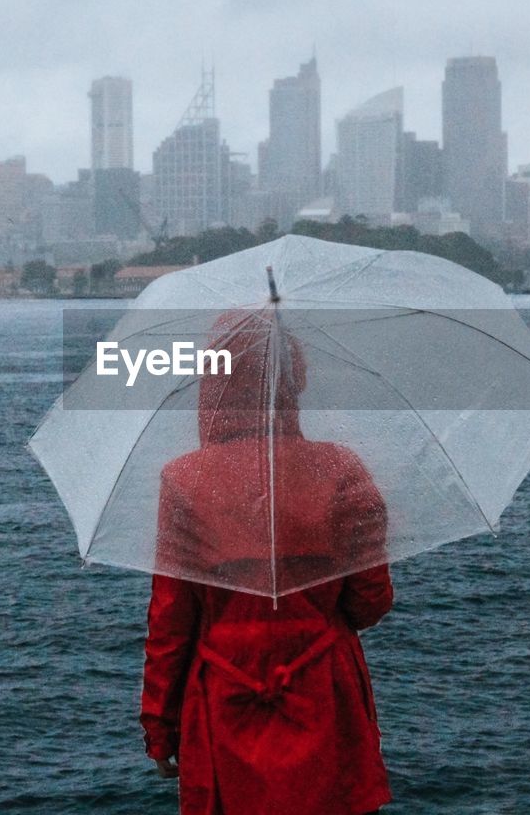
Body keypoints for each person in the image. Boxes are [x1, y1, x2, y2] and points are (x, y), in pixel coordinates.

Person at [141, 309, 393, 815]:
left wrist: (160, 727)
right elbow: (370, 602)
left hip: (224, 698)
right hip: (324, 687)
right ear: (292, 379)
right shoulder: (340, 468)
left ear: (212, 383)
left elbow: (171, 624)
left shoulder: (186, 480)